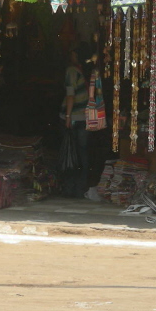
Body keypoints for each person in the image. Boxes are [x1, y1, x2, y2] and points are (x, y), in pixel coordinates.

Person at [60, 42, 92, 198]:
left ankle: (71, 187)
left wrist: (67, 116)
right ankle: (81, 187)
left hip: (74, 118)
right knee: (81, 152)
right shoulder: (82, 70)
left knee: (70, 153)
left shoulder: (71, 71)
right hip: (84, 117)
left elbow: (70, 94)